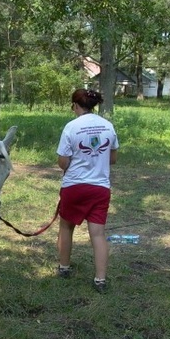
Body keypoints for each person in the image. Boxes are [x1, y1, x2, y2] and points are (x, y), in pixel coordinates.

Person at [55, 89, 119, 293]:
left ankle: (64, 268)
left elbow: (62, 162)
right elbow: (113, 158)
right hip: (100, 187)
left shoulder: (71, 127)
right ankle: (100, 280)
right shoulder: (108, 126)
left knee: (66, 227)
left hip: (74, 186)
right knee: (98, 234)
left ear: (75, 105)